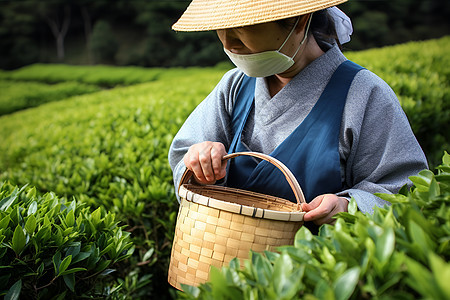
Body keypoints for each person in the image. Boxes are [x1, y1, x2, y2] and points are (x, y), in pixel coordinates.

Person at [168, 0, 428, 230]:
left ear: (299, 21)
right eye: (221, 29)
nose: (228, 43)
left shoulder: (364, 93)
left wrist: (349, 206)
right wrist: (201, 163)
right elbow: (185, 157)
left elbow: (406, 188)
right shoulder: (234, 86)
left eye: (243, 27)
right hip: (227, 266)